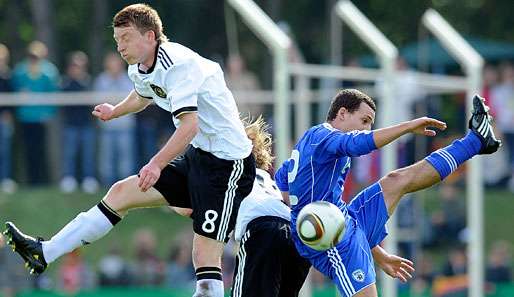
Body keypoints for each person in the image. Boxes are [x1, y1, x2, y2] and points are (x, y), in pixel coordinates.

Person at [3, 4, 255, 297]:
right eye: (117, 39)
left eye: (125, 37)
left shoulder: (179, 65)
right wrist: (115, 111)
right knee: (121, 193)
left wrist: (156, 164)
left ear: (150, 36)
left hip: (228, 166)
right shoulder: (140, 66)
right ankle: (45, 252)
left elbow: (189, 127)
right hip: (199, 156)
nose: (120, 46)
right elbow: (143, 94)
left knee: (203, 255)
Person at [275, 89, 501, 297]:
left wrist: (379, 255)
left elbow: (282, 182)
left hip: (342, 220)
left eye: (370, 124)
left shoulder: (311, 140)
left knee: (396, 180)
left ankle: (476, 142)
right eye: (364, 121)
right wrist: (408, 127)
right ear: (342, 113)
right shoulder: (326, 138)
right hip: (330, 239)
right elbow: (359, 144)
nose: (367, 129)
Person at [172, 117, 413, 297]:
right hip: (297, 237)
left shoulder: (222, 172)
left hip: (261, 233)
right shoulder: (266, 178)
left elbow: (187, 208)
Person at [60, 51, 99, 193]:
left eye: (80, 66)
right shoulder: (65, 83)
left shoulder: (88, 83)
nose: (77, 69)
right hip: (70, 125)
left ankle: (89, 179)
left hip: (86, 125)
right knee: (70, 154)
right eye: (75, 66)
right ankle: (68, 179)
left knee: (88, 154)